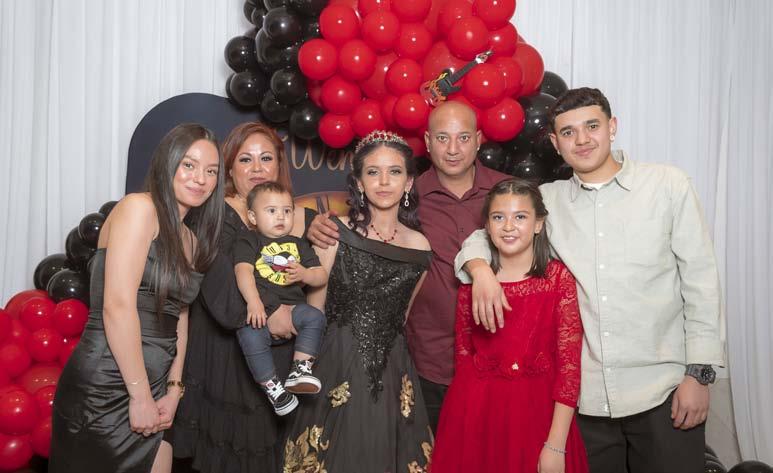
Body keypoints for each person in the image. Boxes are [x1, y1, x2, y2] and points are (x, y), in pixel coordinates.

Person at [456, 88, 725, 473]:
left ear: (612, 127)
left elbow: (701, 283)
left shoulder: (667, 185)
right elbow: (484, 235)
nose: (581, 140)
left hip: (664, 390)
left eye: (592, 126)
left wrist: (699, 374)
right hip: (588, 403)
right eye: (568, 132)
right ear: (555, 143)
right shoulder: (549, 200)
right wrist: (481, 271)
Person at [306, 102, 510, 432]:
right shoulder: (406, 199)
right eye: (442, 138)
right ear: (427, 142)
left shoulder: (510, 194)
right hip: (426, 362)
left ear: (478, 140)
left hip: (500, 357)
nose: (453, 149)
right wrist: (314, 226)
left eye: (463, 137)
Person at [50, 123, 224, 473]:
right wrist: (139, 395)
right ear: (167, 162)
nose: (201, 179)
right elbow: (117, 306)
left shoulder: (190, 240)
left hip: (155, 387)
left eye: (211, 171)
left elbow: (180, 320)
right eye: (189, 165)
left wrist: (174, 390)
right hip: (108, 384)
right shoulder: (139, 208)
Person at [283, 131, 434, 473]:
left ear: (409, 183)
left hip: (393, 368)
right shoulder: (333, 233)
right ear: (359, 182)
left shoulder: (420, 247)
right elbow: (314, 312)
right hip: (336, 361)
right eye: (373, 172)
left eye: (395, 172)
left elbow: (402, 317)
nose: (384, 181)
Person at [170, 122, 304, 473]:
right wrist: (277, 313)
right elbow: (227, 302)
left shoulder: (282, 218)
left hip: (271, 366)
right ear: (228, 169)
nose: (257, 168)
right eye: (245, 159)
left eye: (266, 158)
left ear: (279, 166)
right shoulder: (212, 217)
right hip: (227, 366)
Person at [432, 178, 588, 473]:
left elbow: (569, 370)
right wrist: (462, 428)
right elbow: (463, 358)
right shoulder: (474, 283)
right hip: (477, 413)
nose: (508, 227)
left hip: (538, 415)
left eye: (520, 217)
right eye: (498, 217)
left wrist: (556, 444)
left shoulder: (557, 280)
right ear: (487, 226)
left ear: (538, 224)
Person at [233, 181, 327, 416]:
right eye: (272, 210)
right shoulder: (249, 240)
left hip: (294, 310)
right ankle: (274, 389)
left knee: (315, 317)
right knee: (249, 335)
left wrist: (305, 274)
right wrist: (254, 301)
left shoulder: (298, 244)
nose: (281, 217)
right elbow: (243, 271)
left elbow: (321, 275)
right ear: (253, 217)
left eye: (287, 210)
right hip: (260, 313)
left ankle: (300, 369)